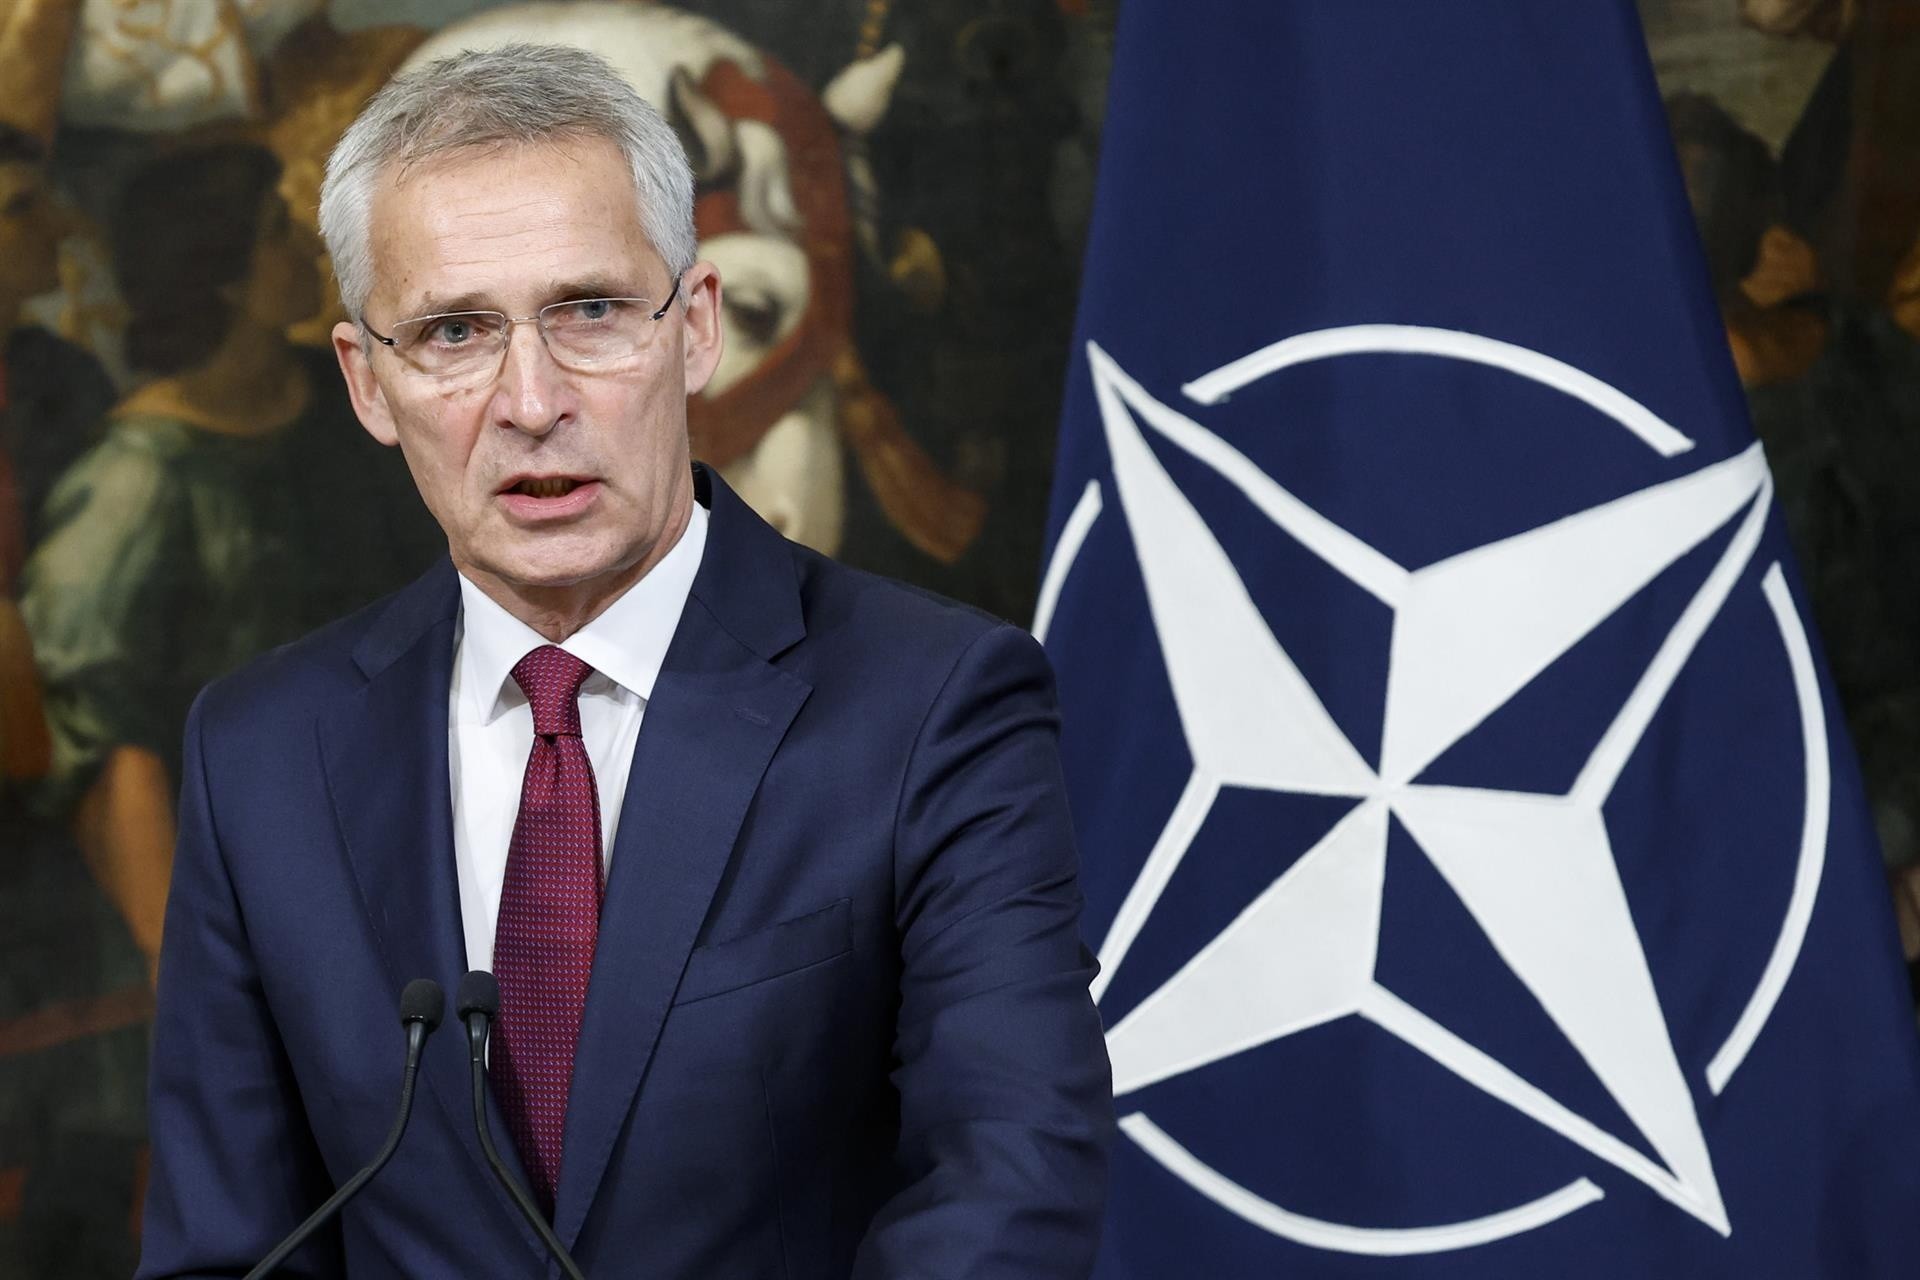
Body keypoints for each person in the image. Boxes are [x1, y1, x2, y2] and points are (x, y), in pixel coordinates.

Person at [136, 43, 1113, 1280]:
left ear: (694, 327)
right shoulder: (261, 750)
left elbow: (1010, 1191)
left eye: (589, 310)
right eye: (453, 331)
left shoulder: (937, 702)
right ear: (368, 381)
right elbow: (226, 1247)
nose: (531, 398)